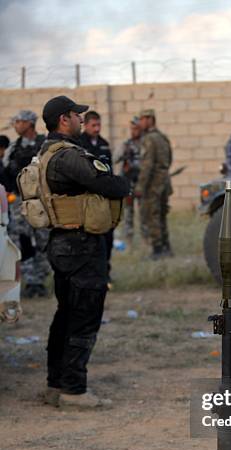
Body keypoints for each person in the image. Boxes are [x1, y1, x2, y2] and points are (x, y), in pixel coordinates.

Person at [40, 95, 129, 409]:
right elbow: (110, 185)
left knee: (65, 315)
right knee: (84, 317)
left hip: (62, 244)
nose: (81, 119)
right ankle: (74, 390)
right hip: (80, 245)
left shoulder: (45, 152)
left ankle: (56, 383)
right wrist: (124, 182)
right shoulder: (68, 155)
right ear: (65, 119)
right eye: (77, 115)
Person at [3, 110, 49, 297]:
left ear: (30, 123)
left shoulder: (44, 145)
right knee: (22, 240)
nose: (16, 125)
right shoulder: (13, 148)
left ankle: (40, 278)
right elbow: (6, 172)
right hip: (18, 203)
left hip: (41, 201)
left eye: (19, 122)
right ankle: (31, 281)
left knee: (43, 241)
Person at [79, 110, 114, 282]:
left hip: (103, 196)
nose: (97, 128)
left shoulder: (104, 144)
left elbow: (110, 170)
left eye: (99, 125)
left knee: (107, 235)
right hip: (86, 197)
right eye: (93, 125)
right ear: (85, 125)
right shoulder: (79, 144)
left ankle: (105, 273)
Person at [135, 109, 173, 259]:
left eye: (143, 119)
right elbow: (169, 160)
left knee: (152, 215)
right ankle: (166, 247)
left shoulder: (149, 139)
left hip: (153, 184)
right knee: (162, 215)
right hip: (164, 181)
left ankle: (157, 250)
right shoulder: (163, 137)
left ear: (150, 119)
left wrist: (140, 186)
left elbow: (147, 165)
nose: (141, 122)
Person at [117, 116, 142, 247]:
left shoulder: (145, 144)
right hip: (128, 183)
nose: (134, 131)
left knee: (144, 214)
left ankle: (146, 241)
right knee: (128, 214)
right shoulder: (126, 144)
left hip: (141, 184)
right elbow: (116, 159)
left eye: (136, 128)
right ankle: (129, 241)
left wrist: (134, 166)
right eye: (132, 129)